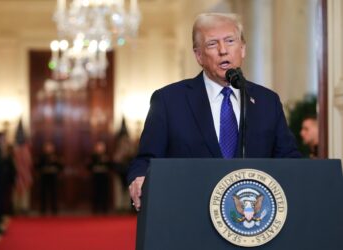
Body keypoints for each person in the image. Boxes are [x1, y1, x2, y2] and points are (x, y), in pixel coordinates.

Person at [127, 13, 301, 211]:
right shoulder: (169, 101)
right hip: (189, 215)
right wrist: (139, 178)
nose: (223, 50)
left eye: (230, 41)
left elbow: (289, 160)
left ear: (242, 49)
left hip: (251, 221)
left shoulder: (267, 101)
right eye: (212, 44)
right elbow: (146, 160)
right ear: (199, 55)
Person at [37, 142, 63, 215]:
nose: (49, 149)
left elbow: (60, 166)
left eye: (50, 147)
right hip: (44, 176)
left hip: (53, 176)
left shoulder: (55, 156)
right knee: (43, 193)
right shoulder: (42, 156)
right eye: (47, 147)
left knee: (53, 193)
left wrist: (55, 161)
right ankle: (43, 209)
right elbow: (37, 166)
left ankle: (54, 209)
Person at [88, 141, 111, 214]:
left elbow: (110, 166)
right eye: (99, 147)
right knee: (96, 192)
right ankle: (95, 209)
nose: (100, 149)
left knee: (104, 192)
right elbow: (89, 166)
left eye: (102, 147)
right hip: (96, 176)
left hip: (104, 176)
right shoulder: (93, 156)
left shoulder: (107, 156)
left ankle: (105, 209)